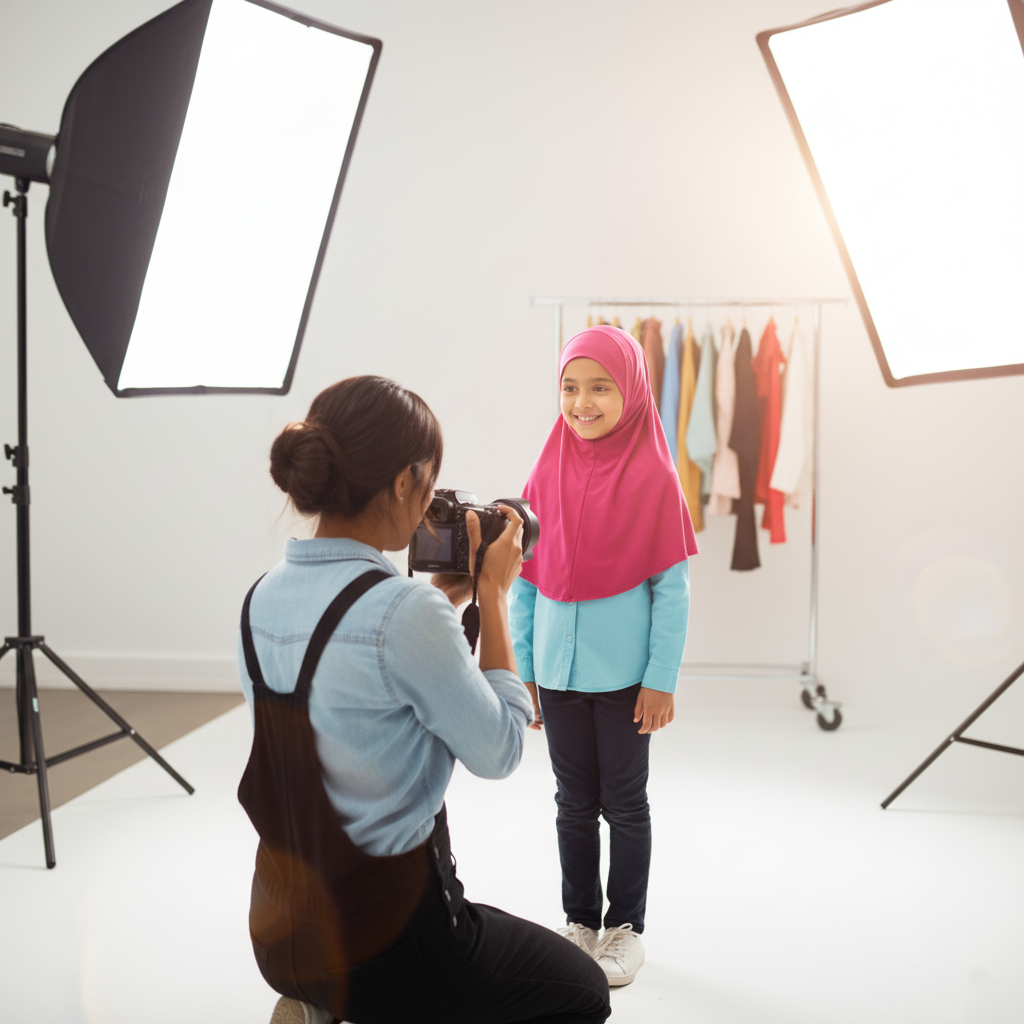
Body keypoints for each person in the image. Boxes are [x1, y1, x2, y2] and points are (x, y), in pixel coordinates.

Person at [236, 376, 611, 1024]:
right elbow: (500, 752)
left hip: (280, 929)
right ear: (407, 483)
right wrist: (494, 598)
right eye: (430, 483)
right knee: (581, 993)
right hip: (390, 946)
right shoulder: (404, 612)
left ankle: (315, 1001)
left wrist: (447, 600)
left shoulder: (261, 597)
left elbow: (356, 665)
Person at [510, 326, 699, 988]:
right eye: (569, 387)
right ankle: (579, 920)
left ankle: (626, 927)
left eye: (599, 388)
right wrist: (524, 671)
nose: (581, 402)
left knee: (624, 801)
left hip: (625, 683)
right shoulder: (544, 469)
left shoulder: (655, 477)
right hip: (557, 679)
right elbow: (525, 582)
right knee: (571, 801)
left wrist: (660, 680)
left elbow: (671, 595)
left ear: (633, 392)